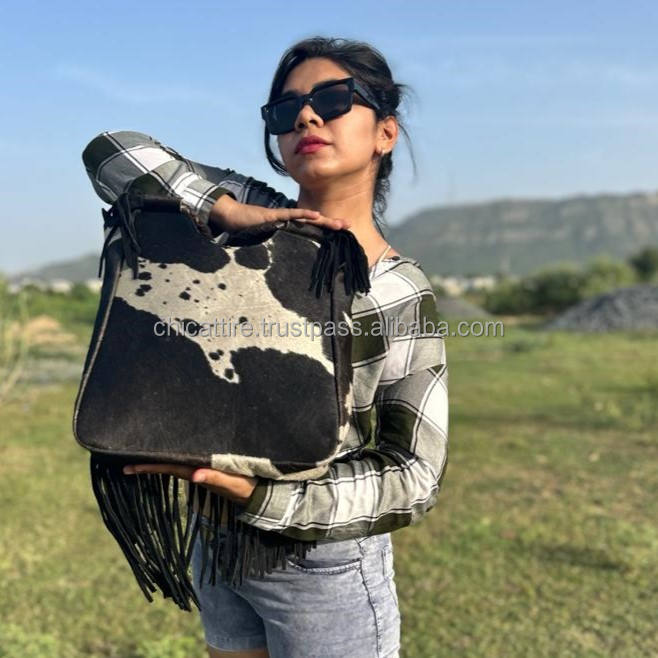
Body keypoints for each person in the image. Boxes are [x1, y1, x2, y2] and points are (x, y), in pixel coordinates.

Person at [81, 36, 449, 658]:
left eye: (333, 100)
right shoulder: (244, 214)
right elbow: (110, 153)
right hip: (214, 541)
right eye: (285, 109)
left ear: (385, 133)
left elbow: (415, 473)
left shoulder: (396, 290)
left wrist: (261, 497)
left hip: (322, 565)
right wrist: (224, 211)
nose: (305, 117)